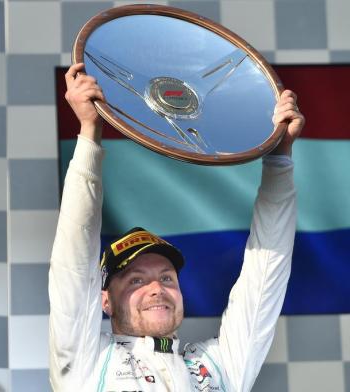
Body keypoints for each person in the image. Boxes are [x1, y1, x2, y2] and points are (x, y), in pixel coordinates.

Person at [49, 62, 305, 392]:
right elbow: (75, 251)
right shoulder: (87, 361)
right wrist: (90, 133)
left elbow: (266, 272)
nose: (157, 289)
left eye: (167, 278)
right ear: (105, 301)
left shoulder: (217, 366)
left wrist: (280, 157)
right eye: (135, 279)